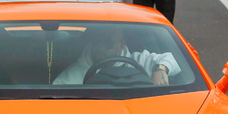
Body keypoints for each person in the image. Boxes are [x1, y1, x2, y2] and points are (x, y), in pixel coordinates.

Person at [53, 27, 181, 85]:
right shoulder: (73, 74)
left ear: (121, 45)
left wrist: (160, 69)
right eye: (97, 42)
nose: (100, 48)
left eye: (108, 43)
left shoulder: (138, 60)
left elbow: (175, 60)